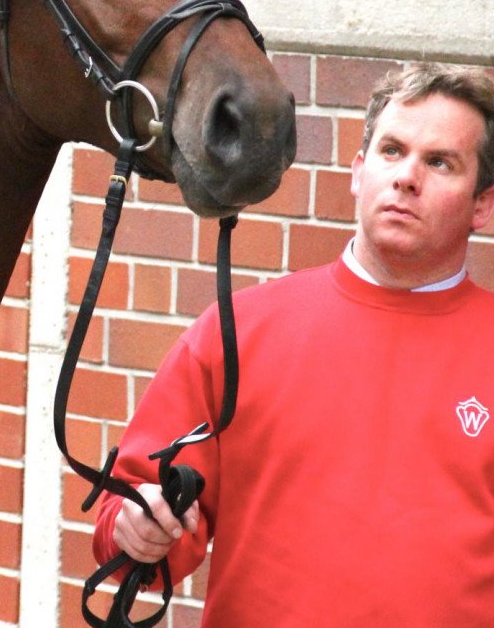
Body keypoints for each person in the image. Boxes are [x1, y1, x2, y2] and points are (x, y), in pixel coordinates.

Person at [91, 62, 494, 626]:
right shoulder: (239, 330)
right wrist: (136, 527)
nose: (406, 177)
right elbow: (134, 510)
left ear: (483, 204)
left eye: (439, 162)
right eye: (391, 151)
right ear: (357, 172)